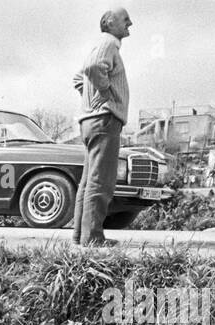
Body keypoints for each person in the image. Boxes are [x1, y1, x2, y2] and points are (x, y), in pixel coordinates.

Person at [71, 8, 132, 246]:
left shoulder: (100, 45)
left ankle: (81, 236)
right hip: (105, 120)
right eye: (125, 19)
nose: (130, 23)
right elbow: (94, 67)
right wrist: (105, 92)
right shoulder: (108, 42)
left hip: (90, 121)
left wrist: (90, 96)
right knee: (101, 182)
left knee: (88, 182)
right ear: (109, 23)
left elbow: (79, 77)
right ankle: (93, 238)